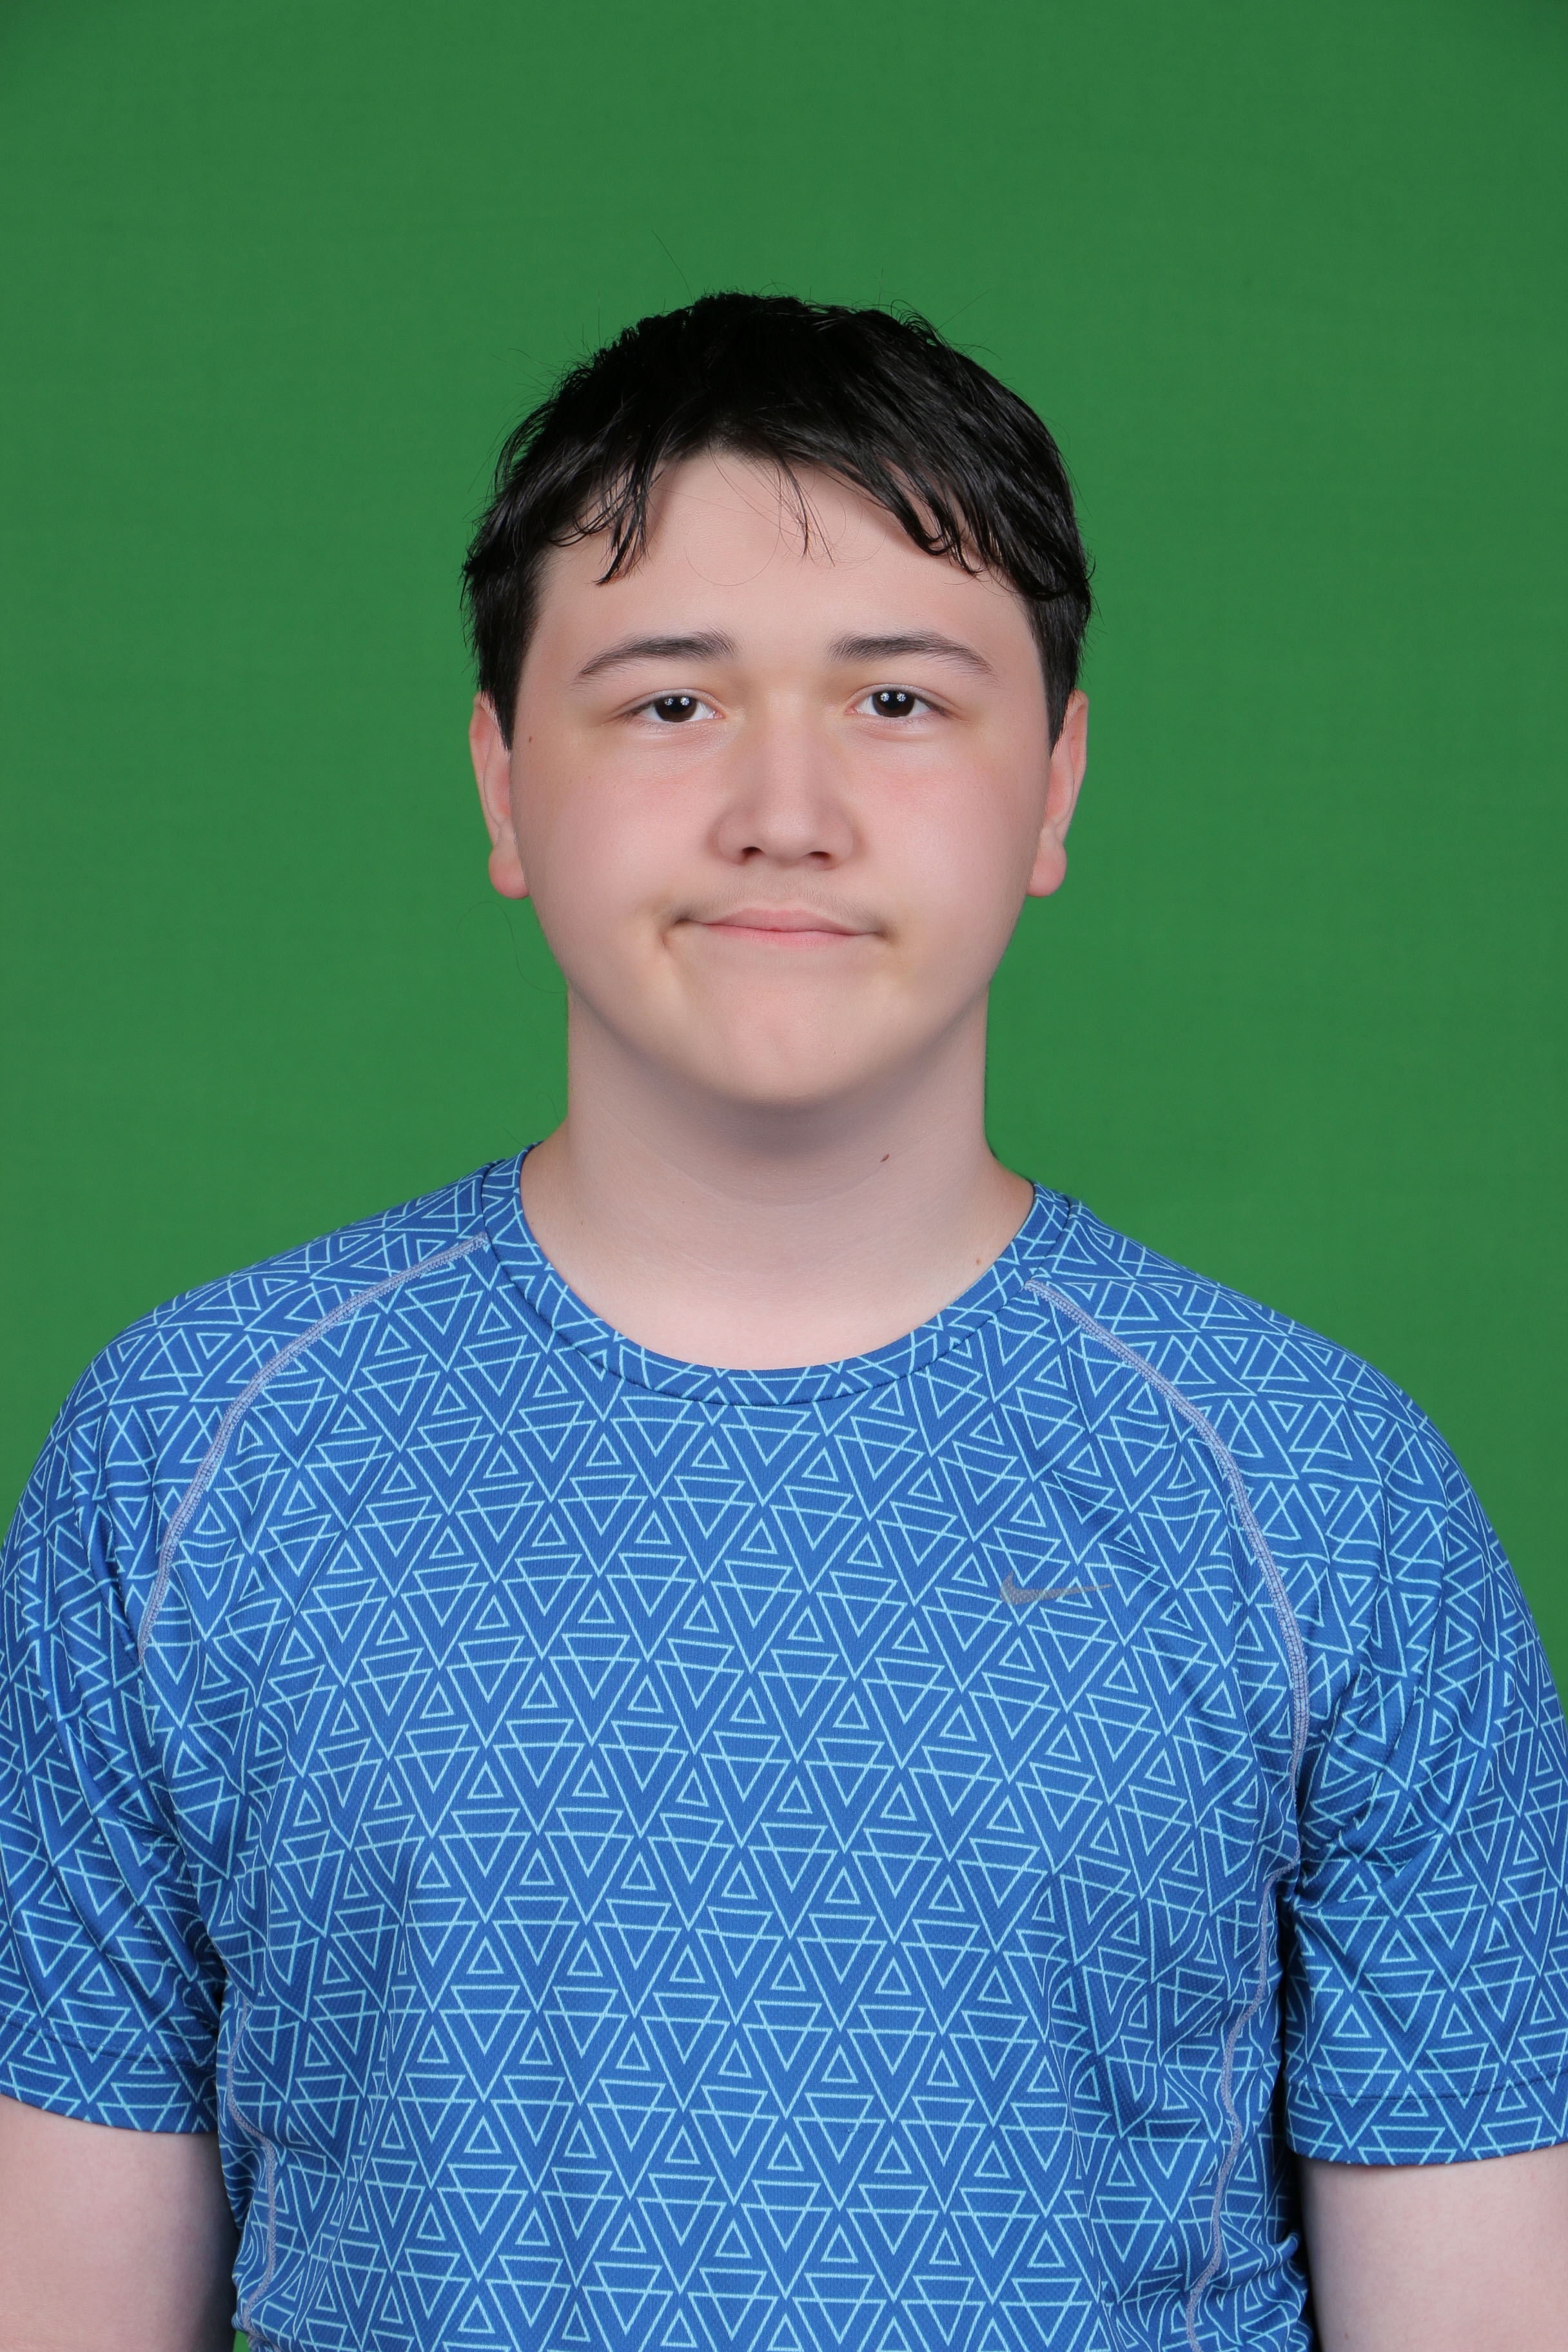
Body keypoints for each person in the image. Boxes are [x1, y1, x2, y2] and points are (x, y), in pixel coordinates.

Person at [1, 294, 1565, 2352]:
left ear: (1057, 782)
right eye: (670, 702)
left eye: (900, 699)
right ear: (500, 780)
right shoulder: (190, 1456)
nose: (786, 809)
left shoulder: (1325, 1498)